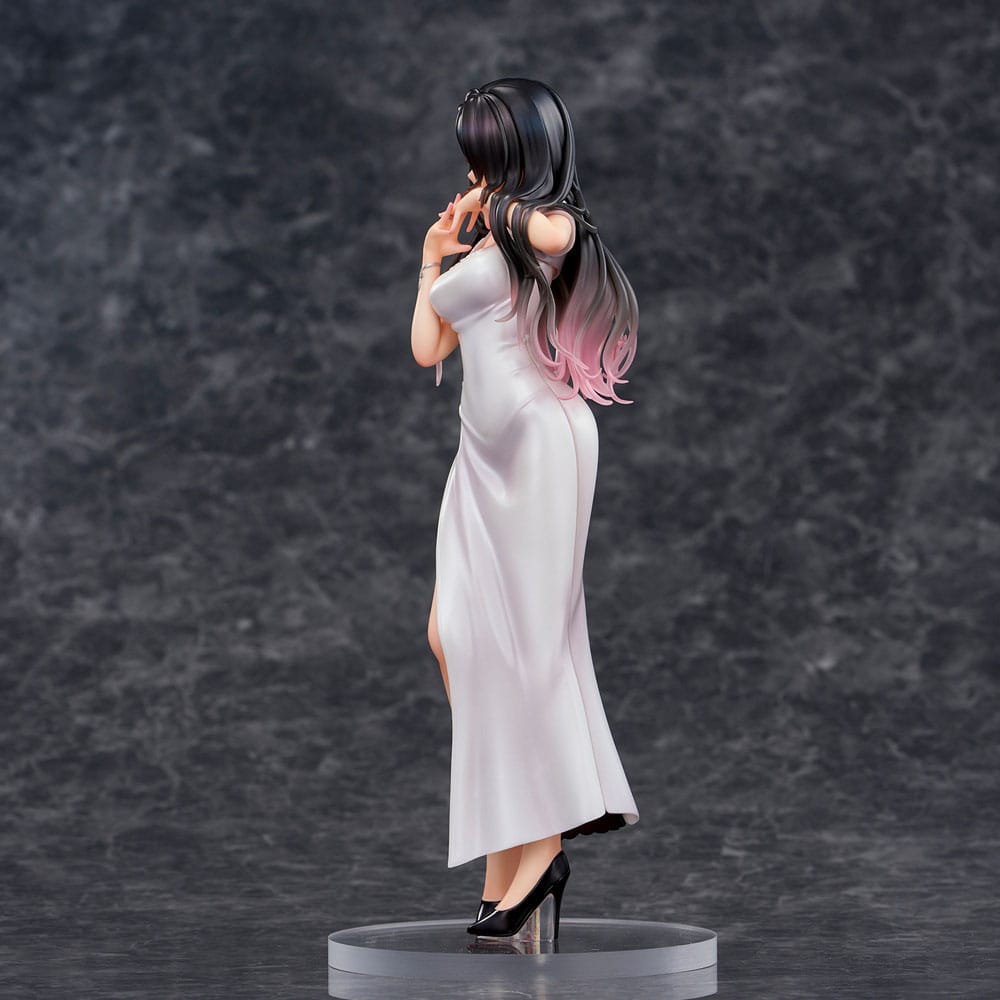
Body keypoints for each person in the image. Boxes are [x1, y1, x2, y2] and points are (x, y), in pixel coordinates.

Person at [410, 78, 640, 940]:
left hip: (543, 445)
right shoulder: (486, 234)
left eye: (484, 150)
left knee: (533, 645)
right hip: (480, 456)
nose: (472, 167)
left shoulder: (544, 220)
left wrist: (493, 204)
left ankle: (538, 848)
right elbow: (428, 346)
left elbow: (552, 234)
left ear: (516, 151)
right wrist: (434, 253)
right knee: (454, 636)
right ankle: (513, 839)